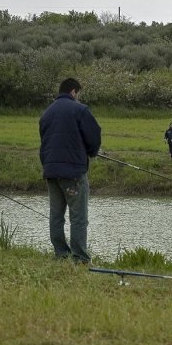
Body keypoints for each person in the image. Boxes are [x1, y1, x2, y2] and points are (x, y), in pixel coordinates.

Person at [39, 78, 102, 264]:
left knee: (56, 216)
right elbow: (94, 136)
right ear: (74, 92)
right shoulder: (80, 109)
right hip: (73, 173)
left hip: (51, 172)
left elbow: (45, 143)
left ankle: (60, 254)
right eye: (78, 94)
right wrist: (92, 153)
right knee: (79, 217)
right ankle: (80, 258)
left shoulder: (46, 113)